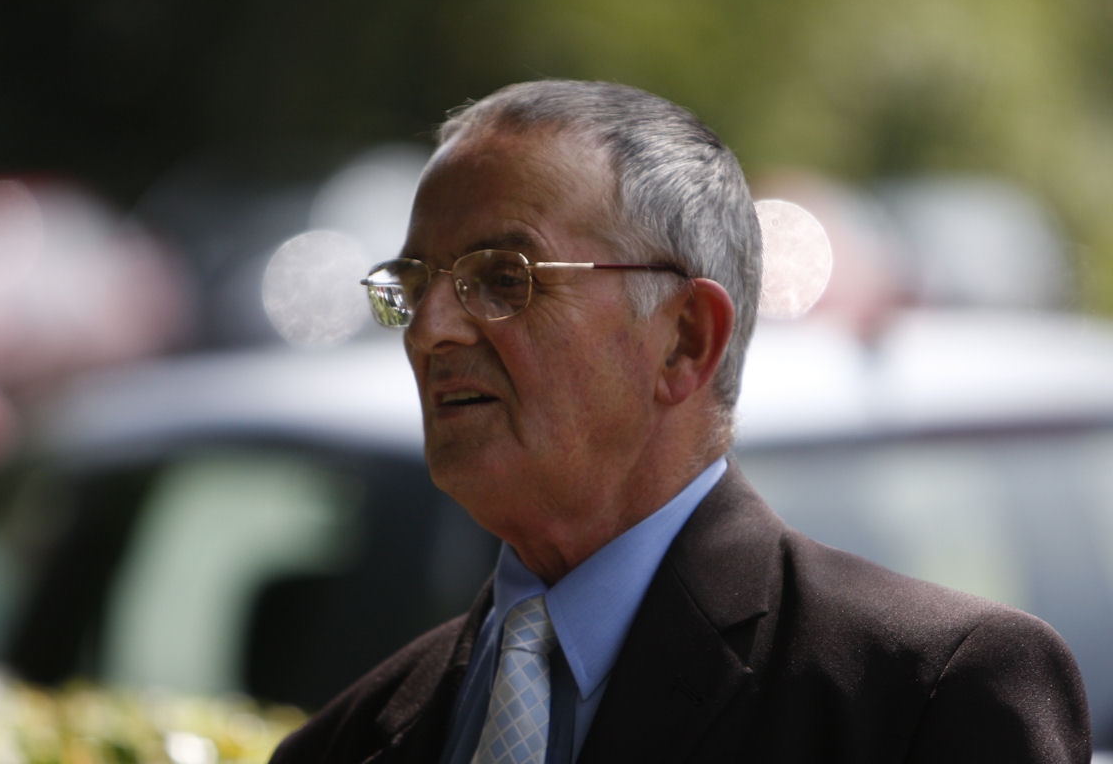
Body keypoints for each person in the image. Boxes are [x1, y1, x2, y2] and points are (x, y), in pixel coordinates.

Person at [270, 80, 1091, 763]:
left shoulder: (928, 697)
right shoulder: (344, 743)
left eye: (502, 278)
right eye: (414, 283)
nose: (429, 330)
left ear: (686, 340)